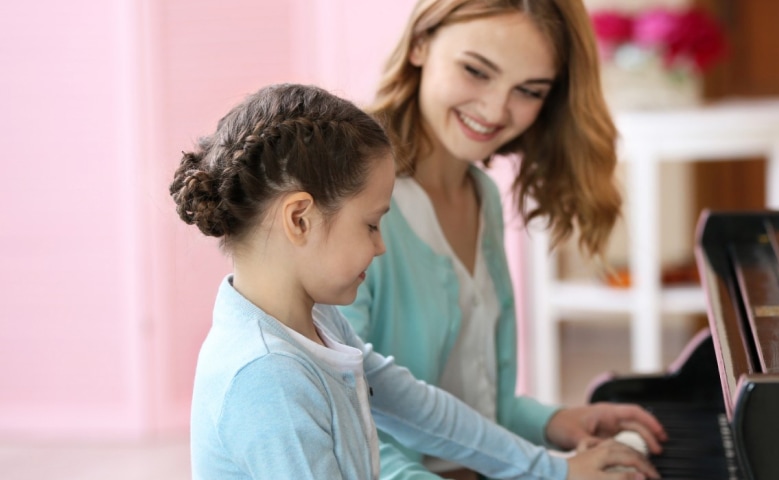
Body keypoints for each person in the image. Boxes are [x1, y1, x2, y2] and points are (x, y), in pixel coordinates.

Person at [172, 83, 657, 479]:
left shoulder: (317, 322)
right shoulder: (267, 377)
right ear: (299, 218)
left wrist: (554, 470)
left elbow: (422, 410)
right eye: (372, 224)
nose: (382, 246)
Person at [338, 1, 667, 478]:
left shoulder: (482, 196)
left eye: (529, 90)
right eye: (476, 71)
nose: (496, 110)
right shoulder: (347, 199)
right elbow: (341, 430)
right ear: (420, 42)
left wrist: (553, 422)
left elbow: (472, 407)